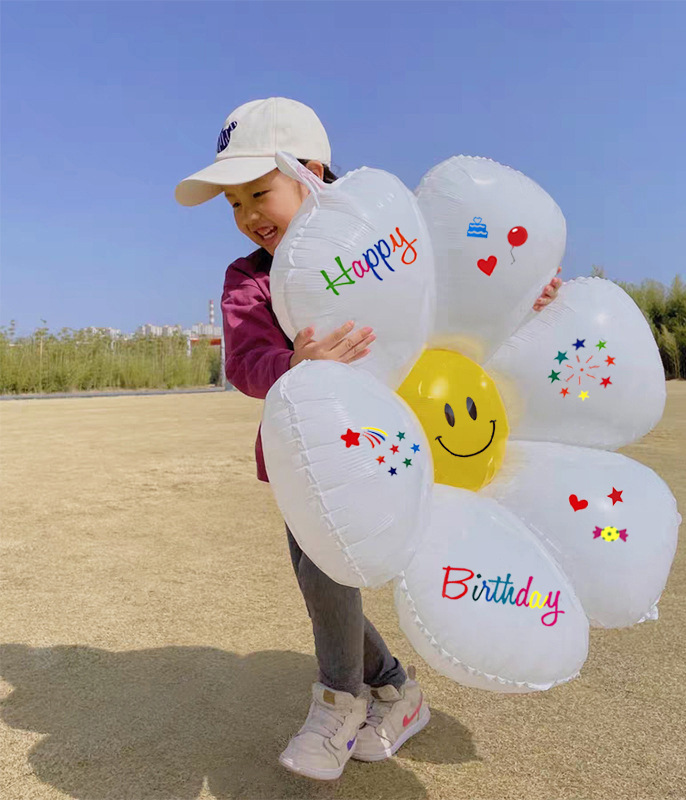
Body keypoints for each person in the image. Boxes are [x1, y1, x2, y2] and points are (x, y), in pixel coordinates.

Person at [175, 97, 562, 781]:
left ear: (311, 172)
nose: (248, 215)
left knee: (330, 576)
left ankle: (338, 700)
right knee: (320, 576)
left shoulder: (382, 243)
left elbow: (455, 291)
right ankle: (395, 690)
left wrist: (518, 294)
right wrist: (292, 362)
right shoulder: (249, 279)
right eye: (234, 204)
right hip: (309, 457)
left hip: (407, 446)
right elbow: (245, 363)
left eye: (259, 192)